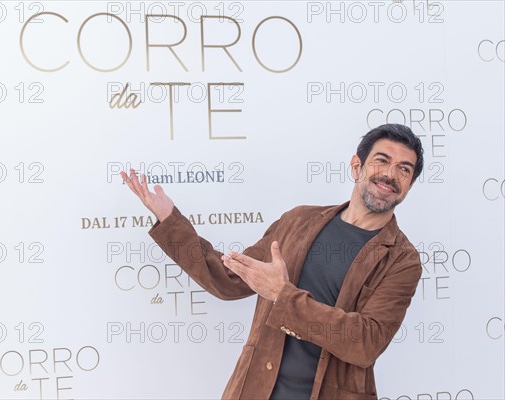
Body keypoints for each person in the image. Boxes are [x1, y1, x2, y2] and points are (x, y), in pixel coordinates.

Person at [120, 123, 424, 400]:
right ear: (356, 166)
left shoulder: (402, 260)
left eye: (404, 169)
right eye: (382, 160)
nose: (390, 174)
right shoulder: (298, 220)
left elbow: (365, 342)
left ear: (409, 185)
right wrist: (170, 221)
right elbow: (227, 280)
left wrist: (283, 296)